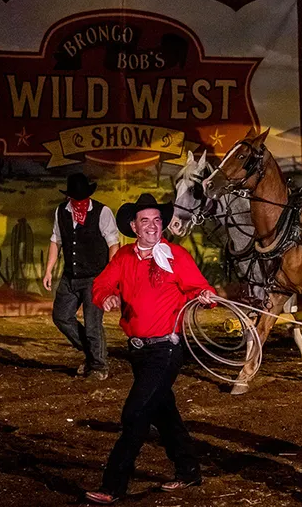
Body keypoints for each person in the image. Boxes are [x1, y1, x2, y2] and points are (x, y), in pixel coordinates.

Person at [84, 193, 216, 505]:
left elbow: (200, 287)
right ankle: (188, 469)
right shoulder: (124, 258)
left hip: (165, 351)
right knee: (163, 411)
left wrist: (206, 296)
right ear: (134, 226)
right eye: (146, 221)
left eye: (157, 220)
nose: (153, 226)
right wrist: (106, 298)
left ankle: (114, 484)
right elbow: (101, 285)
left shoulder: (175, 256)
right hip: (138, 351)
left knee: (136, 412)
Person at [43, 172, 119, 380]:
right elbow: (55, 241)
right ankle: (94, 353)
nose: (80, 202)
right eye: (76, 198)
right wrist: (49, 269)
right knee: (61, 317)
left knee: (93, 323)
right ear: (69, 197)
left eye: (83, 197)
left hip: (96, 277)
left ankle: (99, 366)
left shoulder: (102, 212)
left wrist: (110, 278)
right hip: (71, 275)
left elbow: (113, 243)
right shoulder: (62, 212)